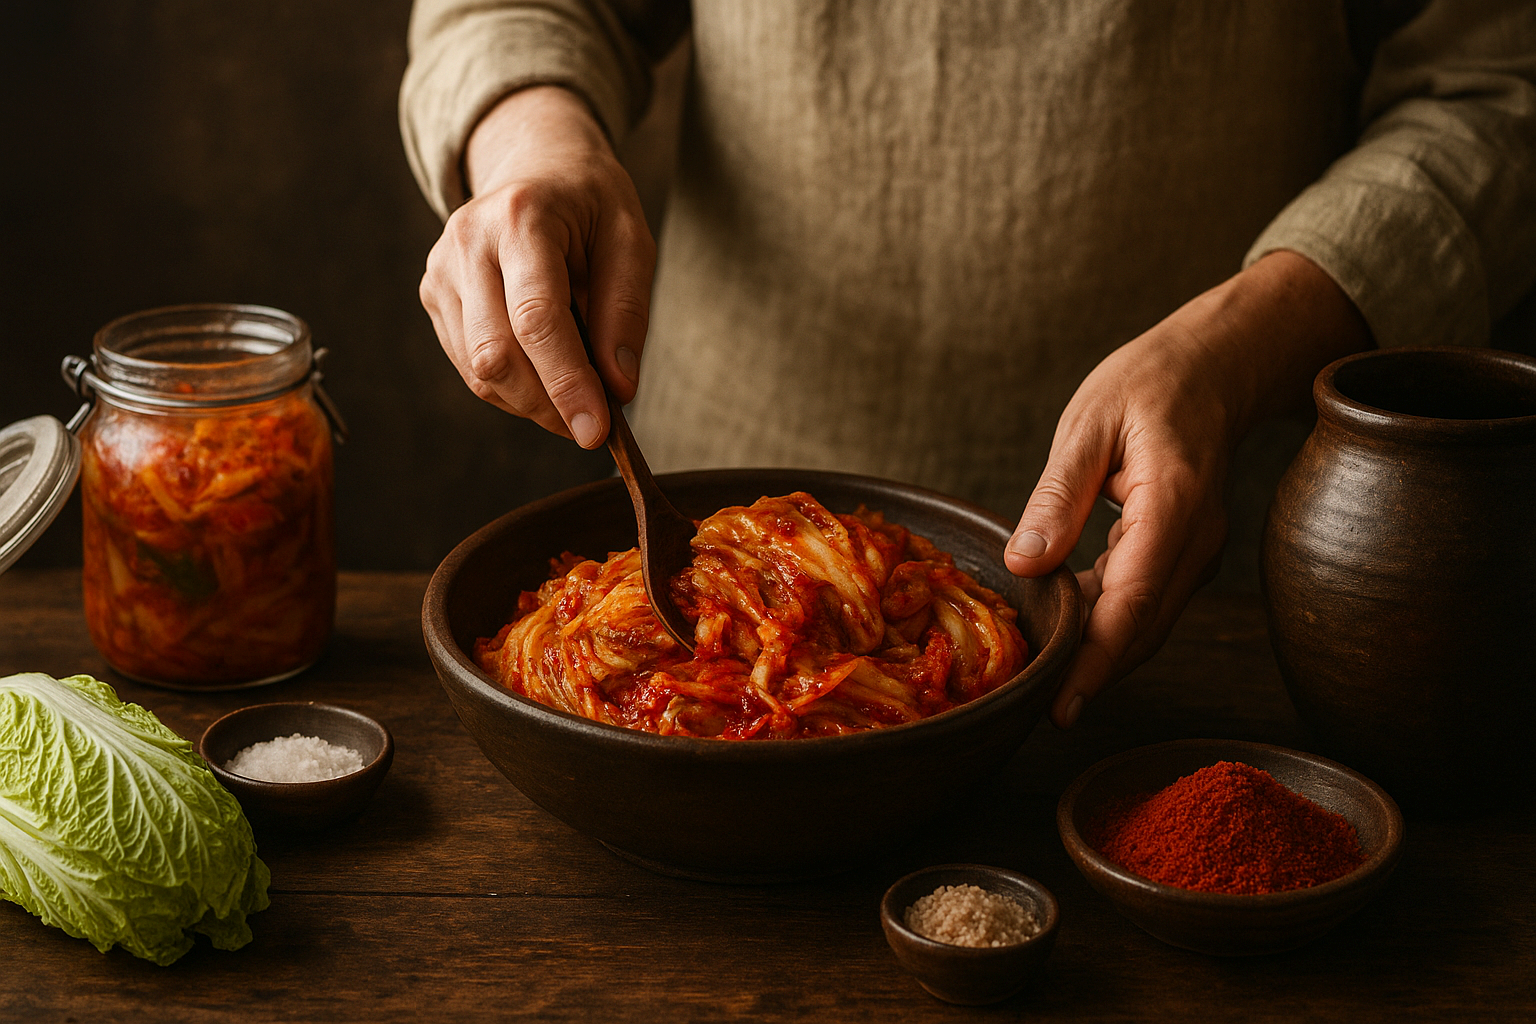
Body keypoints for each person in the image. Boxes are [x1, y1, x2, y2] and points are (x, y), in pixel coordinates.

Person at [399, 1, 1536, 727]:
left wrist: (1235, 356)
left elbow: (1496, 88)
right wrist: (534, 148)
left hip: (1221, 594)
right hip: (702, 462)